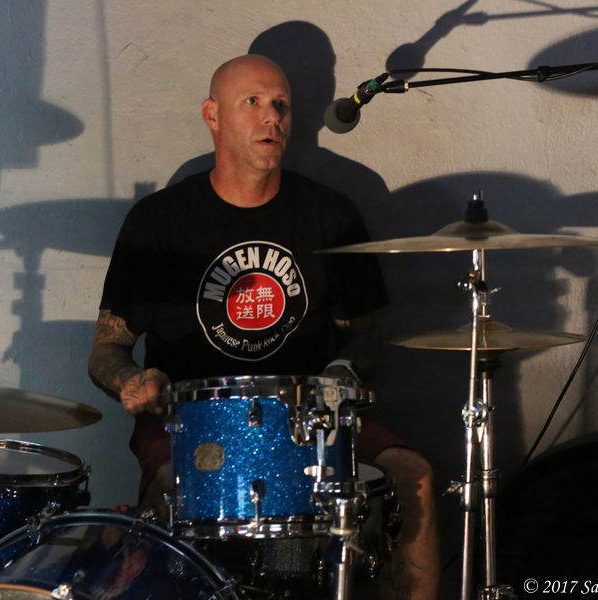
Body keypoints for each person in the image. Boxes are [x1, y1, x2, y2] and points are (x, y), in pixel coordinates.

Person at [89, 54, 438, 600]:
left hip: (311, 421)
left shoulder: (330, 215)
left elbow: (365, 337)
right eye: (251, 102)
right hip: (193, 421)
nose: (271, 117)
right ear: (212, 115)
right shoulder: (159, 221)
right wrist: (132, 381)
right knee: (174, 486)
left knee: (413, 473)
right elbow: (106, 349)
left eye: (281, 105)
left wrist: (343, 372)